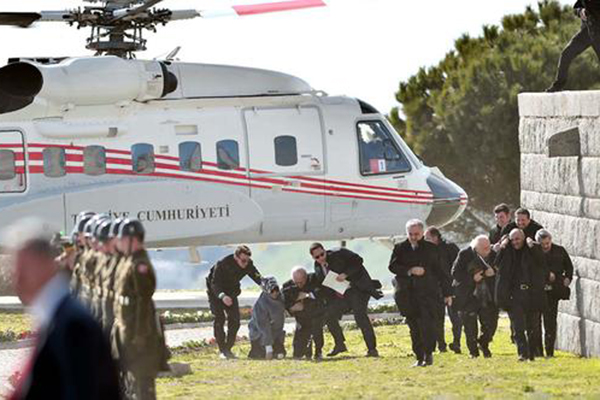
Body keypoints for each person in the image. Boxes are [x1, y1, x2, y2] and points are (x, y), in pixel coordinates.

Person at [4, 218, 120, 400]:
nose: (17, 279)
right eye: (14, 270)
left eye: (23, 268)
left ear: (46, 264)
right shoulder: (53, 317)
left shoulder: (73, 325)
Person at [111, 219, 167, 400]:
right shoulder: (130, 261)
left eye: (122, 239)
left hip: (139, 338)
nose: (118, 243)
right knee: (133, 387)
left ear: (132, 239)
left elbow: (143, 303)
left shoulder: (139, 265)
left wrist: (139, 337)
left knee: (144, 390)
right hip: (130, 334)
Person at [388, 219, 452, 367]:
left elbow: (442, 272)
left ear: (422, 233)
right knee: (414, 328)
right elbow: (392, 266)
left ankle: (428, 355)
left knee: (427, 326)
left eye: (416, 234)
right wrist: (409, 270)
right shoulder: (400, 248)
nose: (413, 237)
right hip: (407, 295)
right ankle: (418, 356)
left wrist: (447, 293)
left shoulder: (432, 248)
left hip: (428, 294)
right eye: (410, 234)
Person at [310, 243, 382, 358]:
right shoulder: (318, 266)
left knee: (360, 315)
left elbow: (358, 261)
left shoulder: (339, 253)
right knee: (329, 315)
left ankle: (372, 349)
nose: (321, 258)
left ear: (325, 250)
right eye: (317, 257)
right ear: (313, 258)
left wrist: (346, 274)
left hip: (357, 289)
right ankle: (340, 344)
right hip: (343, 294)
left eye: (322, 254)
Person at [495, 229, 549, 361]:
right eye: (513, 240)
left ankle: (532, 353)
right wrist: (502, 246)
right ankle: (522, 353)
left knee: (533, 326)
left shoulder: (531, 249)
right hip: (514, 295)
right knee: (518, 326)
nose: (515, 242)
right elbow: (497, 263)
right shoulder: (507, 251)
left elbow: (542, 261)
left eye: (517, 239)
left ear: (523, 238)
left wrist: (534, 246)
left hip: (531, 294)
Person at [206, 245, 263, 359]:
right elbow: (215, 283)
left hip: (231, 290)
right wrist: (222, 296)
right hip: (216, 291)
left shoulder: (248, 264)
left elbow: (257, 277)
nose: (245, 264)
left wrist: (267, 287)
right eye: (243, 261)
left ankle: (228, 348)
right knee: (219, 318)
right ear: (236, 257)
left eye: (247, 261)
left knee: (235, 320)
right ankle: (222, 350)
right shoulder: (222, 264)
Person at [451, 235, 499, 358]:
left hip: (488, 295)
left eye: (489, 247)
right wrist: (472, 278)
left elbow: (500, 269)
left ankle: (483, 343)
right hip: (469, 294)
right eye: (484, 248)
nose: (488, 250)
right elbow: (455, 273)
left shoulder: (492, 254)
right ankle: (473, 352)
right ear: (476, 248)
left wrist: (493, 271)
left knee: (491, 324)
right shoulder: (464, 254)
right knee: (470, 325)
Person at [547, 0, 600, 92]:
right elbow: (576, 8)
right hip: (586, 33)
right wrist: (580, 11)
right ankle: (558, 85)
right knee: (566, 54)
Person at [536, 229, 574, 357]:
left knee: (550, 322)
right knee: (535, 322)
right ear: (538, 243)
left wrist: (568, 278)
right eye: (543, 244)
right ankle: (538, 352)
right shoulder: (533, 252)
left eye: (548, 243)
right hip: (537, 291)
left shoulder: (559, 250)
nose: (546, 246)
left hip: (554, 291)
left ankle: (550, 351)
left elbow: (568, 266)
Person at [425, 226, 460, 353]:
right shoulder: (427, 250)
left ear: (435, 237)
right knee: (437, 318)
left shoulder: (450, 247)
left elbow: (458, 267)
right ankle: (441, 345)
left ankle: (457, 343)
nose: (425, 240)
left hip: (452, 286)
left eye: (427, 238)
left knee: (455, 317)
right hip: (436, 288)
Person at [282, 266, 326, 360]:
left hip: (316, 314)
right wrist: (292, 308)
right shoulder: (287, 285)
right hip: (301, 317)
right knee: (298, 349)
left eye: (301, 282)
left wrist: (307, 295)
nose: (298, 285)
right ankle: (303, 353)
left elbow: (321, 294)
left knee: (316, 332)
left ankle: (318, 352)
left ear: (306, 277)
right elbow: (284, 301)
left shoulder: (314, 279)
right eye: (296, 282)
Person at [248, 277, 286, 360]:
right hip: (259, 334)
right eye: (272, 291)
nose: (275, 293)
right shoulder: (261, 304)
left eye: (276, 290)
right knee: (259, 355)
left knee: (280, 354)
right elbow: (263, 326)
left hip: (275, 334)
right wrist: (268, 348)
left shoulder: (281, 298)